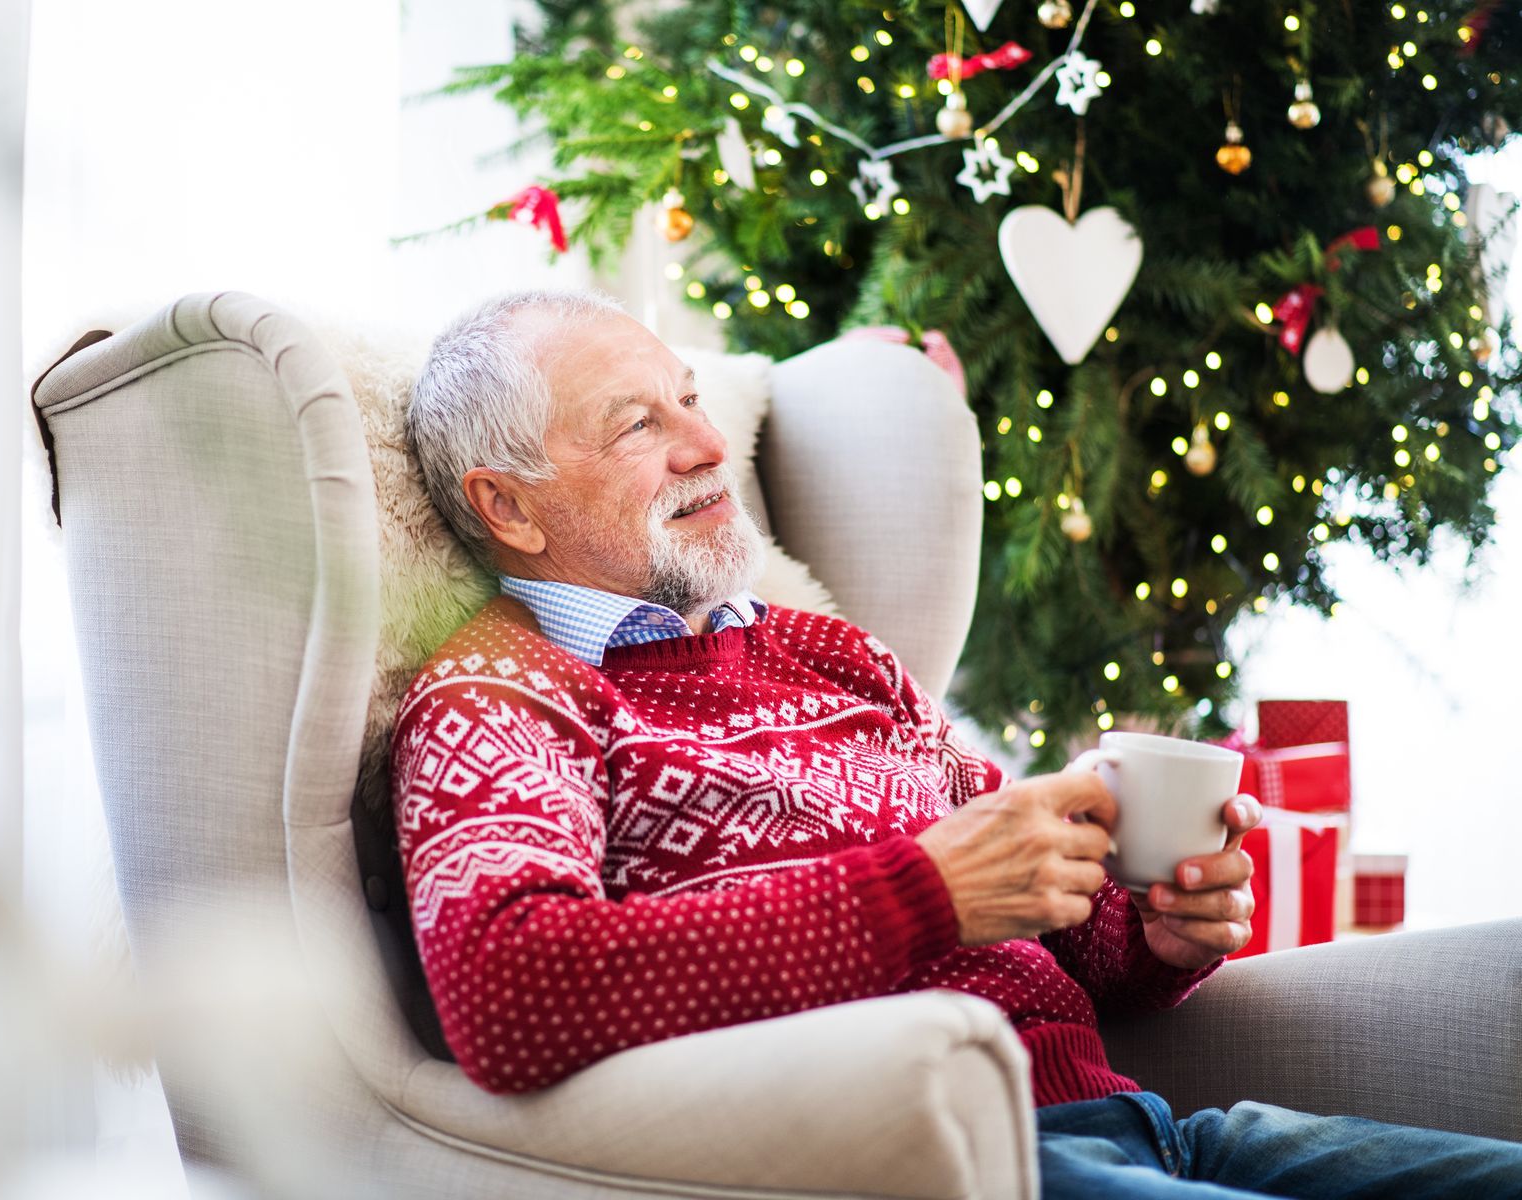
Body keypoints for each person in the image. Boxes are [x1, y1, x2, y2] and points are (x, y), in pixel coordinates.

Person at [390, 288, 1522, 1198]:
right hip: (964, 1164)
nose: (705, 445)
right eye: (638, 424)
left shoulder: (830, 654)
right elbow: (507, 989)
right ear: (509, 507)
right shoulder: (503, 689)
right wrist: (923, 892)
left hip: (1151, 1126)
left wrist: (1153, 930)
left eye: (691, 400)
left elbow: (1046, 923)